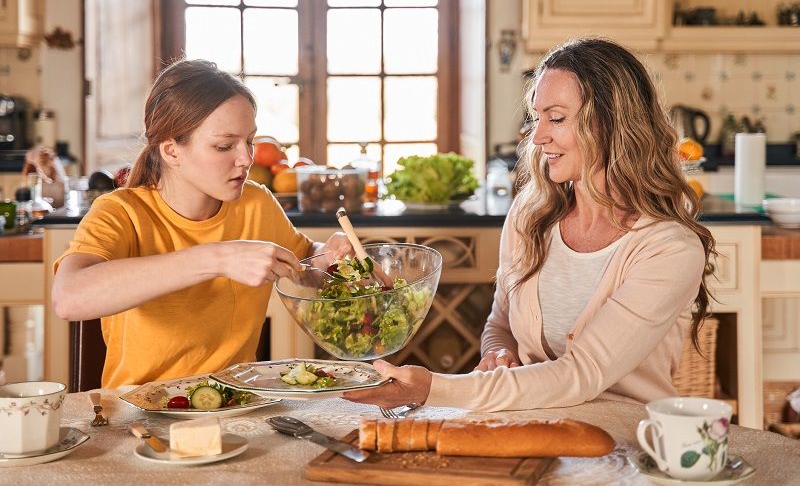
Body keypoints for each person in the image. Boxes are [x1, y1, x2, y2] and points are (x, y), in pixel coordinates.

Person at [345, 38, 716, 412]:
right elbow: (500, 322)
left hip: (627, 445)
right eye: (536, 118)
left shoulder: (669, 249)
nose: (537, 137)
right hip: (532, 429)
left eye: (556, 118)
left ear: (611, 125)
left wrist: (434, 389)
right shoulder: (530, 215)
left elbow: (582, 373)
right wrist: (499, 353)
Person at [52, 59, 351, 388]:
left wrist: (331, 257)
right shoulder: (121, 212)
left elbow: (304, 264)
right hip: (139, 415)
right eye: (225, 146)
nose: (247, 158)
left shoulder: (256, 203)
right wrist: (218, 258)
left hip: (238, 406)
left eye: (250, 141)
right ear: (171, 151)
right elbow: (69, 298)